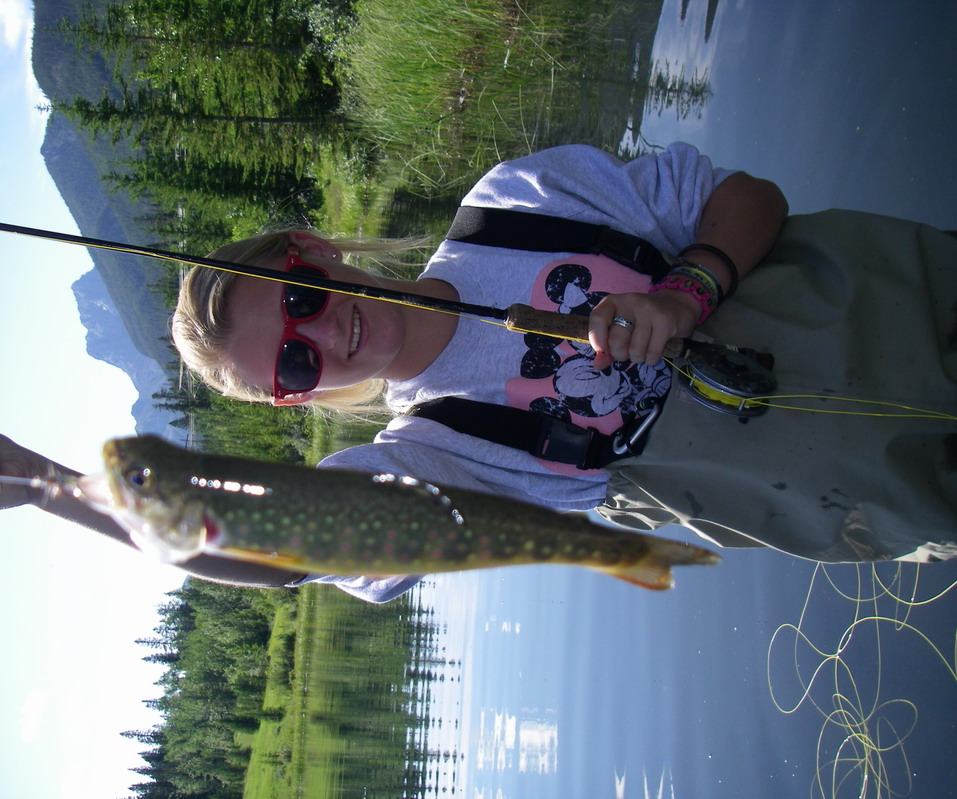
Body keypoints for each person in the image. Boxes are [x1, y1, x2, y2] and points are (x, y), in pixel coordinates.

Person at [3, 143, 955, 601]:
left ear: (311, 251)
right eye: (294, 361)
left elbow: (748, 196)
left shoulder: (516, 200)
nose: (324, 334)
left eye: (299, 296)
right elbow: (273, 551)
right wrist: (50, 486)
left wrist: (685, 290)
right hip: (898, 492)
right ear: (298, 395)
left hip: (909, 293)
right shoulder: (430, 459)